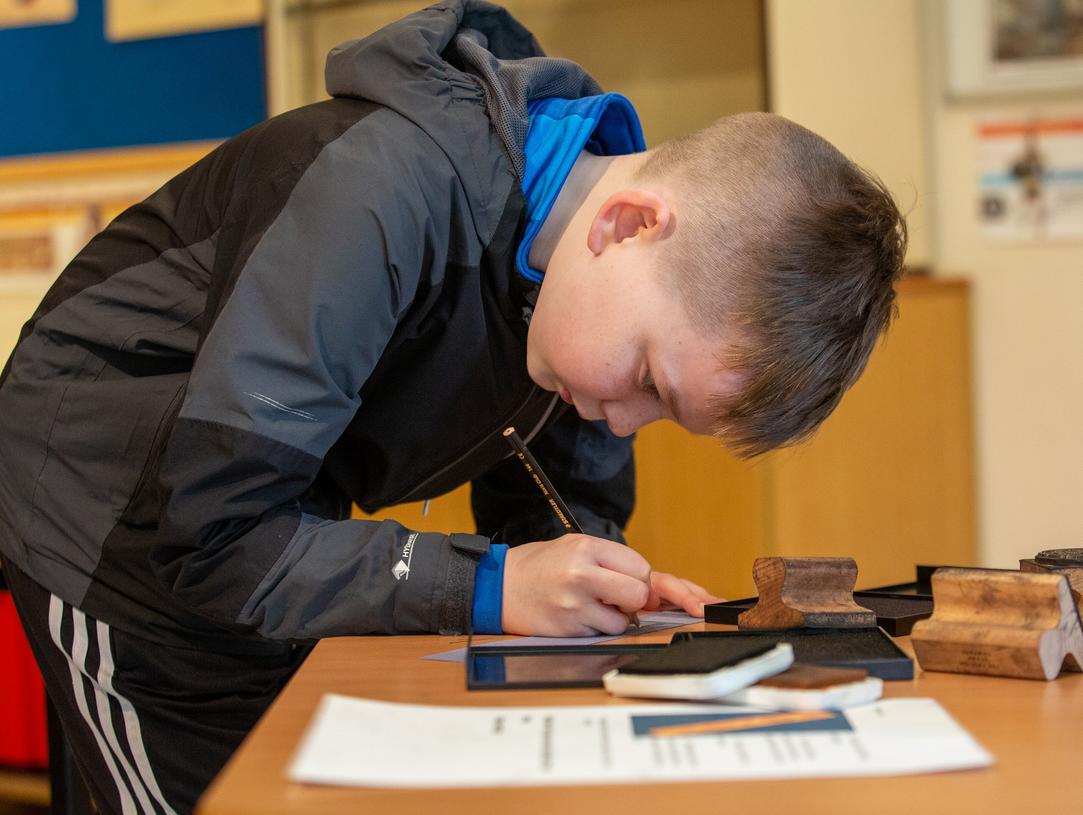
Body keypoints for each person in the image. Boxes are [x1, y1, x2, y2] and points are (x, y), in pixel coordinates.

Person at [0, 1, 906, 812]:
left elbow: (557, 507)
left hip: (257, 515)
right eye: (647, 381)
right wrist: (490, 583)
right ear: (625, 224)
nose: (626, 419)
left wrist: (593, 583)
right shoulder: (379, 192)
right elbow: (217, 536)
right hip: (109, 505)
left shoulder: (576, 298)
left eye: (664, 415)